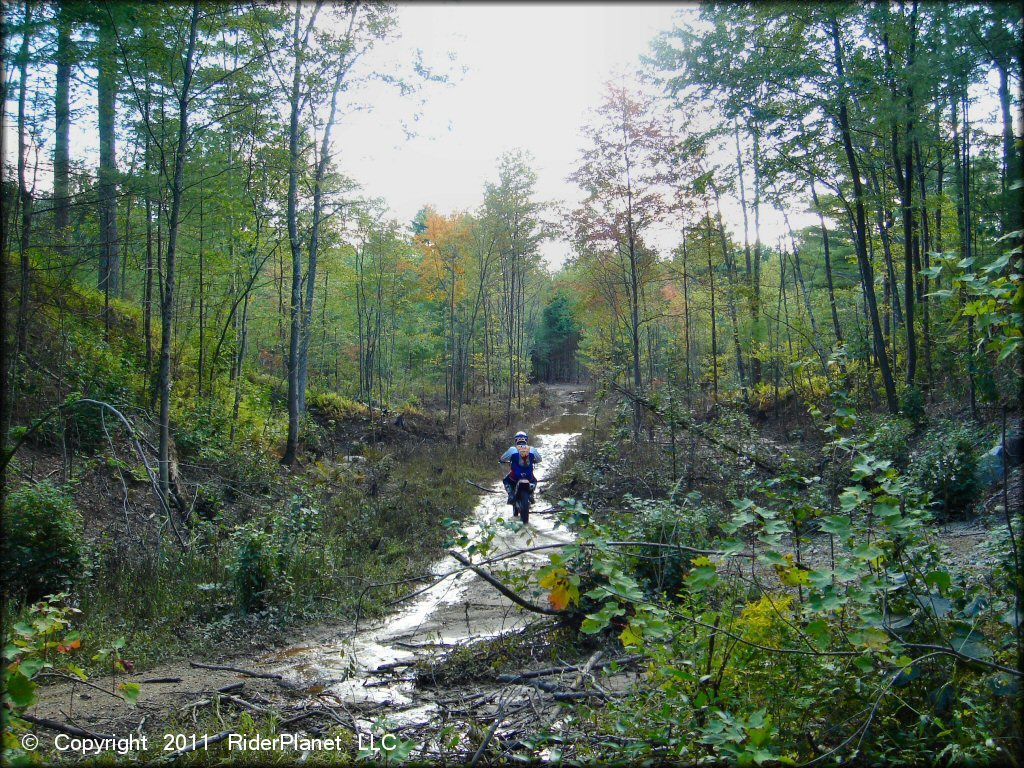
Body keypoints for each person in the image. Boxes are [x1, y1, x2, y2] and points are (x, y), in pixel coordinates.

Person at [499, 431, 541, 504]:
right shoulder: (532, 449)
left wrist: (502, 461)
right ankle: (531, 494)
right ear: (526, 440)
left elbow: (502, 459)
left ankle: (511, 495)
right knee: (534, 480)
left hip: (515, 476)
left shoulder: (512, 449)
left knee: (506, 480)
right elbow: (539, 459)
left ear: (516, 440)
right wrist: (533, 460)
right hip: (528, 476)